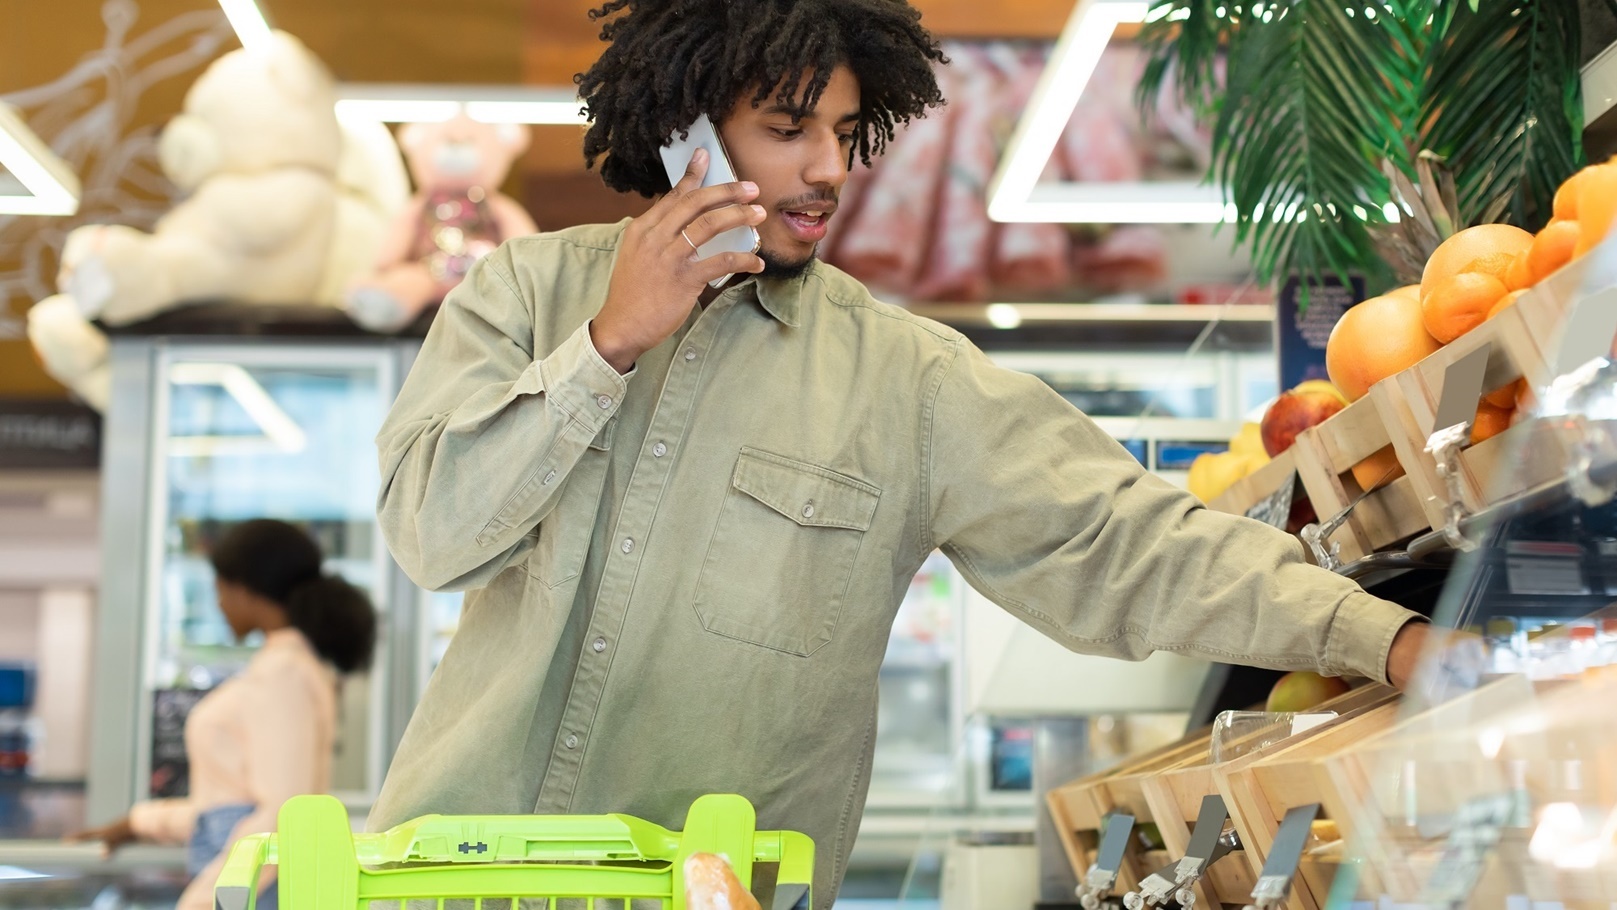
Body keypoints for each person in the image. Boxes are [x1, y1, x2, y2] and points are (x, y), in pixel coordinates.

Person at [368, 1, 1434, 906]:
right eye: (789, 127)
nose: (829, 166)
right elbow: (431, 533)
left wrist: (1383, 638)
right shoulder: (524, 294)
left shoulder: (907, 382)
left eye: (843, 128)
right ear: (685, 120)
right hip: (446, 878)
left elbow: (1123, 541)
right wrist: (611, 342)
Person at [70, 519, 377, 910]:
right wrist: (140, 823)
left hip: (251, 887)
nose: (218, 603)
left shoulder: (284, 673)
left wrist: (201, 901)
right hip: (250, 883)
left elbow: (279, 815)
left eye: (219, 588)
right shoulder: (288, 668)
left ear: (244, 588)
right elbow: (227, 807)